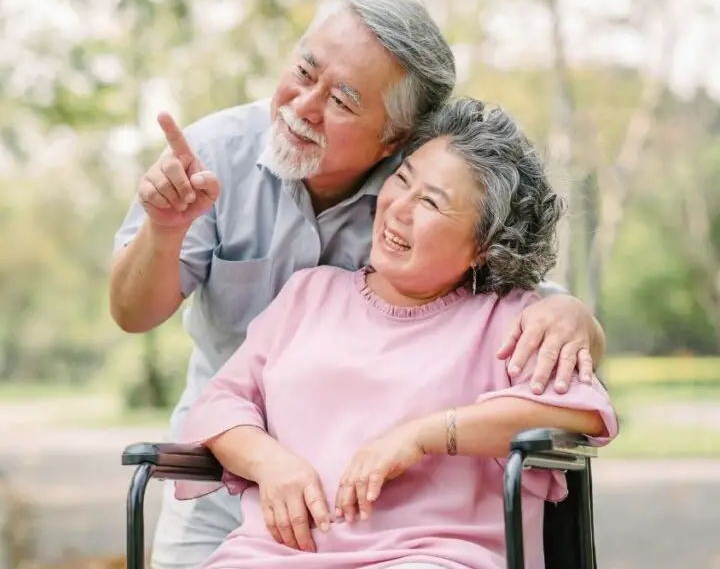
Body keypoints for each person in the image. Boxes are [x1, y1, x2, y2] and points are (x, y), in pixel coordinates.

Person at [109, 0, 607, 566]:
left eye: (343, 100)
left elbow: (542, 339)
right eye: (303, 71)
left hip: (418, 542)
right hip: (235, 478)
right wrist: (164, 230)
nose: (304, 105)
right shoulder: (223, 164)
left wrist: (571, 314)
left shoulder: (454, 237)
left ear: (395, 141)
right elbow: (139, 322)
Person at [174, 96, 619, 569]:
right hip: (272, 555)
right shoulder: (308, 295)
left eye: (431, 202)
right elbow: (219, 403)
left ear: (485, 246)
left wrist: (424, 436)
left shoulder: (512, 321)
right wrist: (269, 462)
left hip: (433, 556)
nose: (399, 208)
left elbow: (582, 415)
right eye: (403, 180)